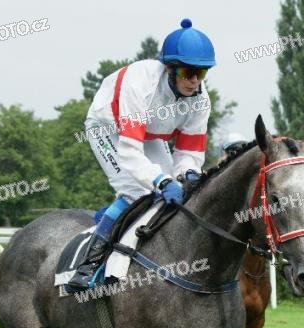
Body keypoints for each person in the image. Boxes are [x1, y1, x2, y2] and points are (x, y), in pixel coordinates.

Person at [67, 18, 215, 291]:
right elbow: (130, 153)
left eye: (201, 73)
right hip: (109, 129)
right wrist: (162, 181)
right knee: (138, 191)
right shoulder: (141, 83)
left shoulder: (201, 100)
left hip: (149, 135)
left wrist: (189, 177)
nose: (194, 81)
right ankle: (90, 263)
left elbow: (189, 152)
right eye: (188, 72)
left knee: (180, 192)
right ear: (170, 68)